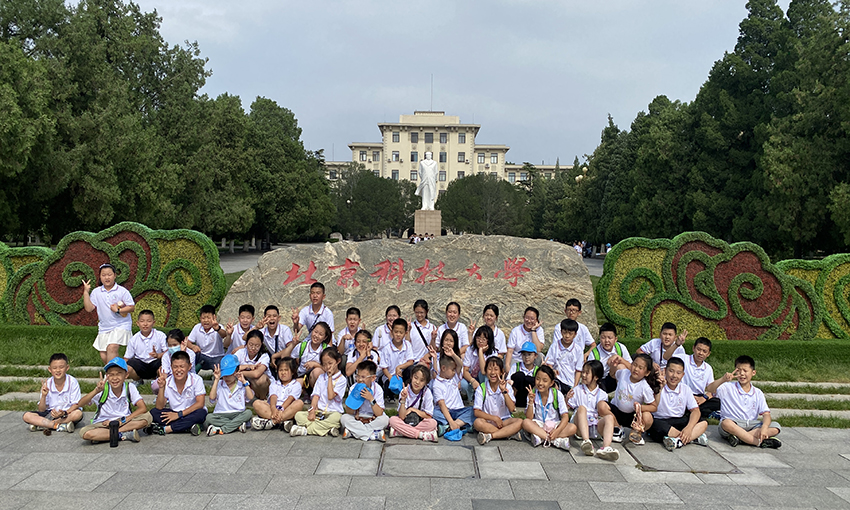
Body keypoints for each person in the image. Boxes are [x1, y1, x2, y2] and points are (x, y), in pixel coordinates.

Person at [705, 355, 781, 449]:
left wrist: (764, 428)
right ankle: (757, 442)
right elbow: (710, 389)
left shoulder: (758, 392)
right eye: (738, 370)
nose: (741, 374)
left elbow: (766, 414)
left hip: (751, 424)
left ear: (753, 372)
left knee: (776, 427)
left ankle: (740, 438)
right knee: (726, 423)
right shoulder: (727, 387)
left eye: (745, 371)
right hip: (733, 423)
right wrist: (723, 379)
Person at [77, 357, 152, 443]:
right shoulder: (102, 388)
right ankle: (122, 435)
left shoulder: (129, 387)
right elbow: (80, 404)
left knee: (147, 417)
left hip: (124, 421)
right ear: (106, 376)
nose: (115, 378)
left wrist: (122, 421)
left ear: (126, 375)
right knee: (85, 433)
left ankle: (106, 435)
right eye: (111, 375)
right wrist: (96, 391)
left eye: (119, 374)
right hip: (103, 423)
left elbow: (142, 408)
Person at [597, 353, 658, 451]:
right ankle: (617, 428)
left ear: (647, 373)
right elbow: (613, 374)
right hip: (616, 411)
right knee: (601, 405)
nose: (636, 369)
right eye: (634, 365)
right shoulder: (624, 373)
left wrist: (640, 407)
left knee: (648, 417)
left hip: (632, 416)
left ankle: (636, 432)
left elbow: (654, 407)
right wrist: (613, 365)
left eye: (640, 368)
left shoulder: (645, 387)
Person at [646, 357, 709, 451]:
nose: (674, 376)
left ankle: (677, 441)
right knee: (655, 425)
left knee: (703, 422)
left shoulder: (685, 389)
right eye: (671, 371)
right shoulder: (656, 385)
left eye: (678, 373)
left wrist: (688, 428)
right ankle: (691, 438)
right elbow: (653, 406)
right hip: (661, 421)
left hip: (678, 420)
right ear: (665, 371)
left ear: (683, 375)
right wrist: (659, 389)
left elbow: (695, 410)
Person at [81, 263, 135, 364]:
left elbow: (131, 307)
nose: (107, 277)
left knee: (112, 347)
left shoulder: (122, 291)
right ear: (100, 277)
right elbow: (89, 308)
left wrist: (118, 311)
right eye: (104, 275)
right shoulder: (96, 292)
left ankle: (112, 373)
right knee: (103, 354)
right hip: (104, 327)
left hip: (121, 324)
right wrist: (86, 292)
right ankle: (120, 369)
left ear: (115, 275)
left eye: (109, 274)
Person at [291, 347, 347, 437]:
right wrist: (312, 410)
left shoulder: (342, 380)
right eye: (324, 364)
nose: (327, 367)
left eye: (330, 363)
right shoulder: (321, 377)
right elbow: (316, 396)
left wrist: (329, 377)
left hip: (333, 412)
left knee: (336, 418)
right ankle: (326, 429)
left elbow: (331, 396)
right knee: (298, 415)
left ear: (338, 361)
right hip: (319, 412)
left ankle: (306, 430)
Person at [150, 351, 208, 436]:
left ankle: (167, 429)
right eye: (175, 367)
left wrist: (179, 415)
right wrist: (161, 388)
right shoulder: (168, 381)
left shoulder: (197, 379)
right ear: (171, 367)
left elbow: (200, 404)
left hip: (190, 412)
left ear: (189, 366)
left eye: (182, 366)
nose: (178, 370)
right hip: (173, 412)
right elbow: (159, 407)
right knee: (154, 412)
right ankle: (187, 427)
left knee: (201, 413)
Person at [23, 353, 84, 433]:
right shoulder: (48, 383)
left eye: (61, 367)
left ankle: (44, 424)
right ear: (50, 369)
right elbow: (41, 410)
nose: (58, 370)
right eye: (54, 368)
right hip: (50, 413)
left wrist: (64, 413)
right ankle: (57, 426)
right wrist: (43, 396)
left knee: (78, 414)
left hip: (66, 414)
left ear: (67, 368)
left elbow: (76, 404)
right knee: (26, 416)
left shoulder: (72, 382)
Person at [474, 357, 523, 445]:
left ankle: (491, 436)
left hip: (505, 420)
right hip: (488, 421)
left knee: (520, 422)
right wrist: (494, 418)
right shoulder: (481, 388)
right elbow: (477, 412)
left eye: (496, 369)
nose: (493, 372)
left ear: (502, 372)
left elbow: (512, 408)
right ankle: (507, 434)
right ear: (486, 371)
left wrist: (504, 391)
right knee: (477, 423)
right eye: (489, 369)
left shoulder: (507, 386)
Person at [566, 360, 610, 457]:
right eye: (583, 372)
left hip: (595, 426)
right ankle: (586, 441)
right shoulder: (577, 390)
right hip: (579, 427)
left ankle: (606, 447)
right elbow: (566, 409)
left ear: (596, 377)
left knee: (609, 417)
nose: (583, 375)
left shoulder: (603, 394)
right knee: (581, 408)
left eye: (587, 373)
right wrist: (566, 399)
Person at [521, 365, 570, 450]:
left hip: (554, 424)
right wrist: (531, 401)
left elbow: (565, 416)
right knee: (525, 423)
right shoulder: (532, 393)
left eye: (545, 380)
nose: (540, 383)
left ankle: (541, 437)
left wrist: (557, 431)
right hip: (539, 424)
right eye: (537, 379)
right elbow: (529, 417)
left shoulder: (557, 394)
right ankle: (554, 440)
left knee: (573, 428)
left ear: (551, 383)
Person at [204, 354, 254, 435]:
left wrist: (244, 382)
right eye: (224, 376)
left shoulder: (241, 384)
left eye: (229, 375)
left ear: (236, 371)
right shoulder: (219, 383)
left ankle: (222, 429)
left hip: (237, 413)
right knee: (209, 418)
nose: (226, 378)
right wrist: (216, 380)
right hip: (221, 414)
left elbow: (250, 397)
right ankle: (237, 425)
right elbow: (212, 398)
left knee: (248, 413)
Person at [341, 360, 388, 441]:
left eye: (363, 377)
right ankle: (374, 435)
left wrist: (371, 399)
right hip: (357, 417)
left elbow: (379, 413)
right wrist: (354, 397)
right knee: (344, 418)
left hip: (372, 417)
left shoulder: (378, 389)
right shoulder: (353, 388)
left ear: (373, 378)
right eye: (357, 376)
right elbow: (349, 412)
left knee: (385, 420)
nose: (359, 380)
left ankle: (354, 433)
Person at [252, 357, 304, 431]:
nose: (283, 373)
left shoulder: (296, 384)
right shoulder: (274, 384)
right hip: (273, 409)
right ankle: (281, 421)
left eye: (286, 370)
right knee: (256, 403)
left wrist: (281, 409)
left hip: (287, 409)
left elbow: (290, 398)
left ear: (292, 372)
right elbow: (273, 397)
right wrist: (274, 409)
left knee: (299, 403)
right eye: (280, 370)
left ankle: (272, 422)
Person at [388, 365, 438, 442]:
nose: (417, 382)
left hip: (419, 421)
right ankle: (421, 435)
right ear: (411, 377)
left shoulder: (427, 392)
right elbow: (402, 416)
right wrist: (403, 400)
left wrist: (412, 409)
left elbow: (428, 415)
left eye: (422, 380)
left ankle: (402, 432)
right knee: (392, 420)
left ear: (426, 382)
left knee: (433, 423)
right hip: (406, 421)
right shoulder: (404, 391)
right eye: (416, 378)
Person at [432, 351, 473, 437]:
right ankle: (460, 425)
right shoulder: (436, 384)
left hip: (459, 410)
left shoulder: (454, 378)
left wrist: (453, 354)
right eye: (452, 370)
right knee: (433, 412)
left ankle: (449, 427)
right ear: (443, 368)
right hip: (445, 412)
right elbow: (442, 404)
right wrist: (451, 421)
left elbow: (460, 365)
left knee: (473, 410)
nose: (454, 372)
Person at [124, 309, 166, 385]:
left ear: (153, 323)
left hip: (155, 363)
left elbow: (168, 352)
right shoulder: (134, 339)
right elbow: (127, 357)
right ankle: (137, 380)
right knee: (129, 365)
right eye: (142, 321)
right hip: (140, 365)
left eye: (149, 321)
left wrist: (158, 355)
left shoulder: (160, 336)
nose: (145, 324)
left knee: (164, 364)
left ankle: (158, 380)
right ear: (138, 323)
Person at [586, 323, 632, 392]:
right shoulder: (594, 353)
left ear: (615, 339)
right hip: (601, 381)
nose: (606, 341)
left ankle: (623, 393)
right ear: (599, 338)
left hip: (617, 379)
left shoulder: (621, 348)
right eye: (603, 337)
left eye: (610, 338)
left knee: (621, 367)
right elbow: (589, 373)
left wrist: (620, 359)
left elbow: (631, 367)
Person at [287, 321, 332, 390]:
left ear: (325, 337)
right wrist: (293, 345)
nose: (316, 335)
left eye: (320, 334)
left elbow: (330, 369)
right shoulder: (303, 346)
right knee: (293, 387)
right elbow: (289, 358)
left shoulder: (326, 349)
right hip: (302, 376)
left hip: (318, 378)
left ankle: (318, 393)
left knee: (317, 372)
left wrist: (315, 365)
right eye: (315, 332)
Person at [682, 337, 720, 419]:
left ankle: (696, 411)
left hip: (699, 398)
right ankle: (706, 413)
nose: (701, 353)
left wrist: (703, 398)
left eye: (704, 351)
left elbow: (711, 391)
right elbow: (666, 357)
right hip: (684, 395)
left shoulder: (708, 368)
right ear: (693, 348)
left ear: (708, 354)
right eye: (698, 349)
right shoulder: (683, 359)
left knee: (718, 402)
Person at [544, 319, 583, 393]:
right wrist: (552, 371)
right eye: (564, 332)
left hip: (570, 382)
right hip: (557, 379)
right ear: (561, 332)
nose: (567, 336)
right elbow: (549, 363)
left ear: (575, 334)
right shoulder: (554, 346)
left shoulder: (578, 350)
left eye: (570, 333)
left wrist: (575, 387)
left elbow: (578, 370)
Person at [462, 325, 499, 401]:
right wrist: (473, 381)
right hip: (471, 376)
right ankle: (469, 399)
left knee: (486, 374)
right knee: (463, 384)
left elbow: (483, 371)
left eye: (484, 339)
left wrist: (480, 352)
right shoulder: (470, 350)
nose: (480, 341)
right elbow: (465, 370)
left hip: (483, 377)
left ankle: (486, 397)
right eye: (478, 338)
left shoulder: (493, 353)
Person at [186, 304, 227, 371]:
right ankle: (191, 374)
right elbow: (188, 342)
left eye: (208, 318)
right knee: (189, 355)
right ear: (200, 318)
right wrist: (193, 346)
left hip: (217, 356)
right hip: (202, 355)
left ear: (214, 317)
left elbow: (224, 334)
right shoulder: (197, 327)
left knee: (221, 370)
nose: (206, 320)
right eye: (203, 318)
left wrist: (217, 329)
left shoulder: (219, 326)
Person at [234, 330, 272, 400]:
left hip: (262, 386)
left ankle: (263, 399)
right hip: (246, 382)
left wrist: (239, 372)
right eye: (251, 345)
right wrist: (247, 366)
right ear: (246, 343)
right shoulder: (240, 352)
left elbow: (256, 374)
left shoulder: (264, 356)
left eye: (257, 346)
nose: (253, 348)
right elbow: (231, 367)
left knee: (261, 380)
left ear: (261, 345)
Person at [379, 318, 415, 390]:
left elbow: (411, 361)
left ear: (405, 333)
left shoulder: (407, 345)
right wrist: (391, 378)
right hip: (391, 375)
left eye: (401, 332)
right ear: (391, 332)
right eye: (396, 332)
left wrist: (399, 367)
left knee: (411, 369)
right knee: (389, 387)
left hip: (403, 374)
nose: (398, 335)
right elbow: (384, 368)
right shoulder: (387, 348)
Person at [254, 305, 293, 370]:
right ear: (264, 318)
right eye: (269, 316)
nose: (272, 318)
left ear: (279, 318)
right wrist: (256, 327)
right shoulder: (263, 332)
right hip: (273, 360)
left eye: (274, 316)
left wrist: (275, 356)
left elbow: (290, 347)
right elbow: (245, 338)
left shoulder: (284, 329)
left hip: (287, 358)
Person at [508, 341, 539, 408]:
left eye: (529, 354)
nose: (526, 357)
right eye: (524, 354)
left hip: (530, 397)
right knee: (519, 376)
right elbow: (508, 381)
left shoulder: (537, 370)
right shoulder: (515, 366)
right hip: (516, 395)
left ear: (535, 356)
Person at [408, 299, 436, 365]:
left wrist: (433, 338)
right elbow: (406, 344)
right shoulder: (411, 326)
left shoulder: (432, 327)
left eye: (421, 312)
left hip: (427, 361)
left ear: (427, 311)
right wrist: (408, 331)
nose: (419, 315)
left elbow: (434, 348)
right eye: (417, 312)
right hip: (413, 361)